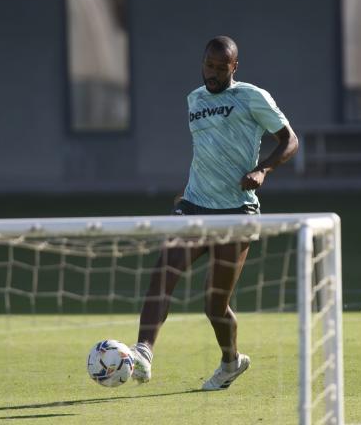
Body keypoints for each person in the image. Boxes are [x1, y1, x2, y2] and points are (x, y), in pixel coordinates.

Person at [128, 35, 298, 390]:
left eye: (222, 68)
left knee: (215, 304)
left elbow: (290, 140)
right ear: (202, 62)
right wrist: (187, 189)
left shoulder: (252, 97)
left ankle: (231, 361)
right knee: (164, 272)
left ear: (235, 67)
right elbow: (207, 152)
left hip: (237, 213)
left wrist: (263, 170)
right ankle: (142, 352)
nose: (214, 74)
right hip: (194, 207)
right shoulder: (194, 100)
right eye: (209, 65)